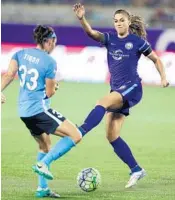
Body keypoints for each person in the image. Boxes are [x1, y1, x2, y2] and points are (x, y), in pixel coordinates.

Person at [73, 3, 169, 188]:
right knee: (111, 135)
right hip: (117, 89)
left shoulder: (138, 42)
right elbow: (91, 33)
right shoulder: (109, 39)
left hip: (132, 87)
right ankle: (136, 169)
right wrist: (81, 18)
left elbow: (156, 60)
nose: (118, 23)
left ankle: (81, 131)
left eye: (122, 20)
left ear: (128, 22)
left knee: (102, 102)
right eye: (116, 21)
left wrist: (163, 78)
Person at [1, 25, 82, 198]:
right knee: (75, 135)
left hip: (23, 111)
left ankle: (42, 189)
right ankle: (44, 163)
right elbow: (50, 91)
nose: (54, 45)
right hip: (39, 109)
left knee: (44, 145)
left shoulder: (20, 54)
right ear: (48, 41)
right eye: (54, 41)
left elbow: (8, 75)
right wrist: (56, 86)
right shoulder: (49, 62)